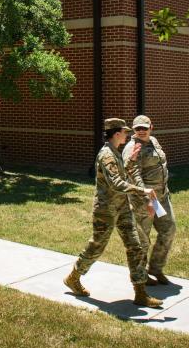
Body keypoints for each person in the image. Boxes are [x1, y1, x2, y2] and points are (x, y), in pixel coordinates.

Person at [63, 118, 163, 308]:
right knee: (96, 247)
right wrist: (143, 191)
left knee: (135, 246)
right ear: (117, 134)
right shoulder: (107, 155)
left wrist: (130, 161)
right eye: (125, 132)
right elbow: (115, 183)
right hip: (106, 210)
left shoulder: (115, 152)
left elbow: (119, 175)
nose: (127, 135)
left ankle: (140, 293)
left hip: (122, 208)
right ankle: (73, 277)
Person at [123, 114, 177, 286]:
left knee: (169, 230)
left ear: (151, 127)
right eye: (138, 128)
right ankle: (140, 275)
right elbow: (133, 174)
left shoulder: (153, 141)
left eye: (144, 128)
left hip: (162, 196)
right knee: (143, 239)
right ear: (133, 129)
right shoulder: (133, 147)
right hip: (144, 200)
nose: (141, 131)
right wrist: (147, 198)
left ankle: (156, 269)